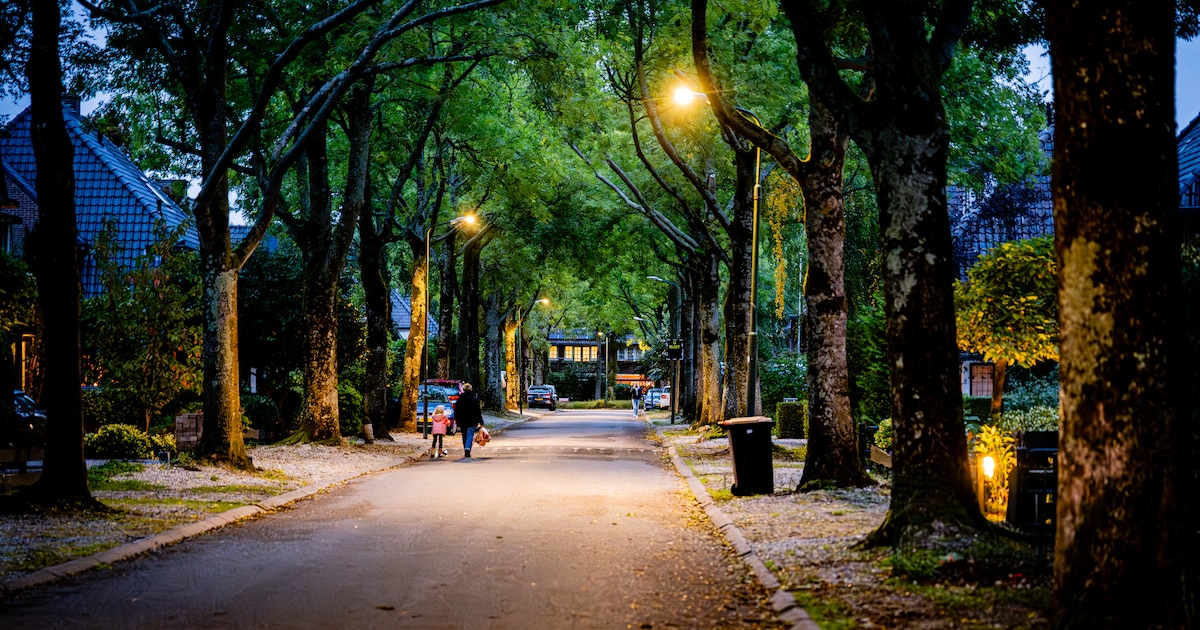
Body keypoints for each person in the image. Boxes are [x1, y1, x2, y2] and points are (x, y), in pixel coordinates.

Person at [454, 383, 484, 458]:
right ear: (471, 389)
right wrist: (481, 421)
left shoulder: (460, 398)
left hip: (462, 420)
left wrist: (456, 419)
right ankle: (467, 449)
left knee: (464, 435)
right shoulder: (474, 398)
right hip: (472, 420)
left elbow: (456, 410)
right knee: (470, 434)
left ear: (463, 389)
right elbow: (478, 411)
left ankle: (466, 448)